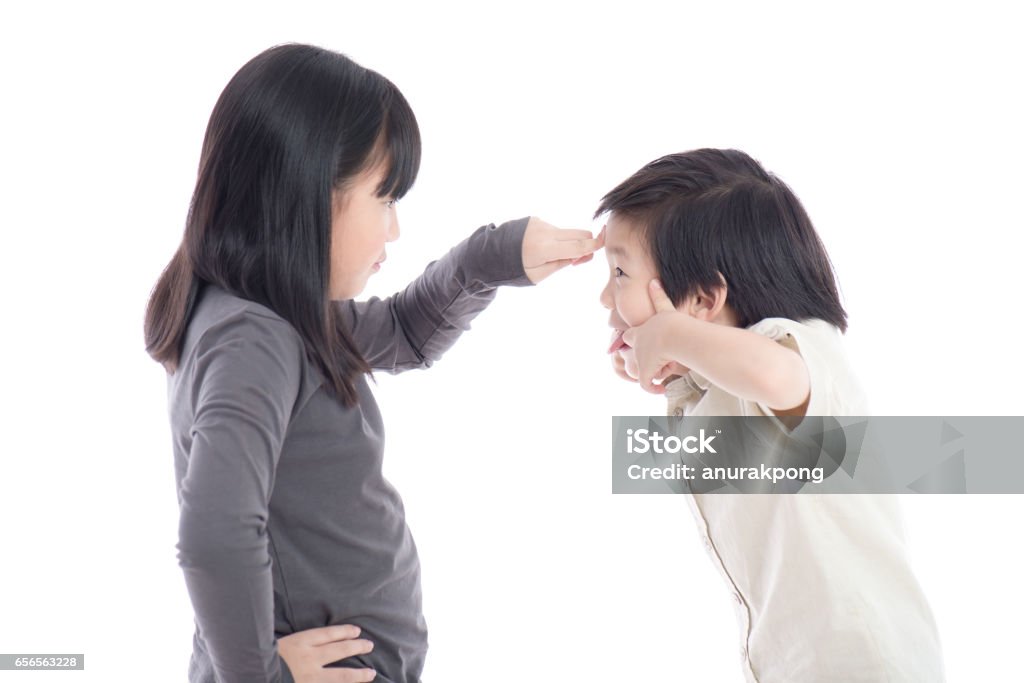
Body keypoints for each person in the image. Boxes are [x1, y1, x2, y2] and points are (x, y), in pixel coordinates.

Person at [144, 43, 600, 683]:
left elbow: (406, 334)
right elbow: (215, 532)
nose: (394, 230)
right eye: (384, 199)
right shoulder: (254, 338)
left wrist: (488, 259)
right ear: (304, 193)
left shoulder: (277, 314)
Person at [597, 148, 945, 682]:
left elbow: (775, 377)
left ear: (705, 297)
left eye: (620, 271)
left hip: (868, 664)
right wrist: (674, 364)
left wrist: (670, 336)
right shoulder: (725, 382)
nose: (605, 296)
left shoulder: (800, 351)